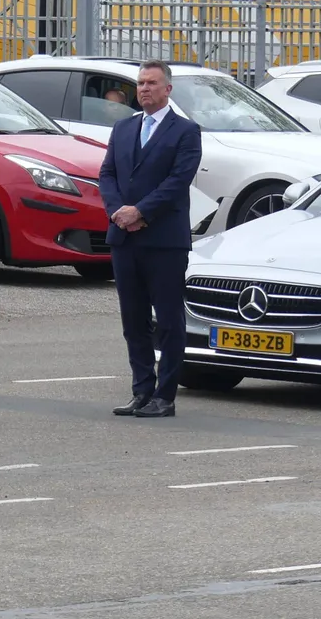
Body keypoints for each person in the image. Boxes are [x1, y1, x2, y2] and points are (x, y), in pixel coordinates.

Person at [98, 60, 202, 418]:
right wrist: (118, 211)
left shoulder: (185, 131)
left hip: (164, 241)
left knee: (169, 320)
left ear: (167, 89)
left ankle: (165, 395)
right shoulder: (124, 128)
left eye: (152, 83)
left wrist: (140, 211)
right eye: (140, 83)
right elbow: (107, 173)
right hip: (124, 238)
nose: (144, 88)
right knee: (134, 319)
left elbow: (177, 182)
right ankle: (141, 390)